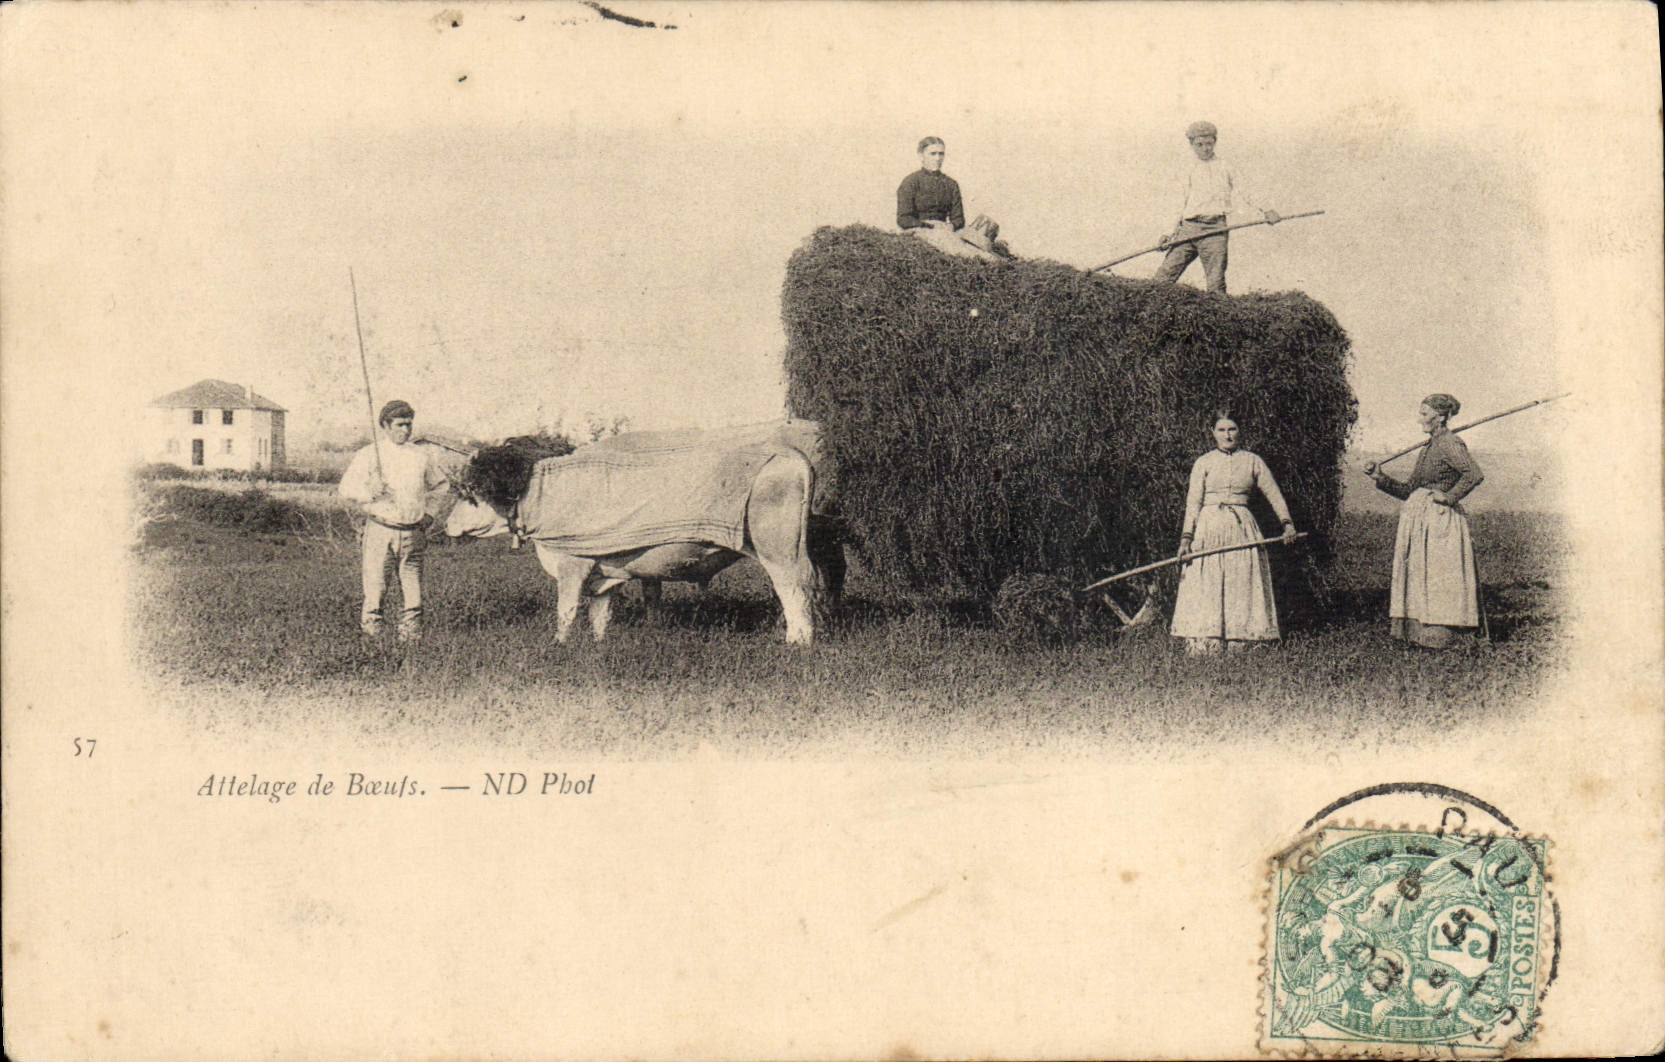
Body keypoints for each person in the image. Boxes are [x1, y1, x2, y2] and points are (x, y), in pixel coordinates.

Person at [1365, 394, 1487, 649]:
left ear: (1440, 416)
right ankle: (1420, 631)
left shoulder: (1450, 444)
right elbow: (1410, 489)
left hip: (1440, 523)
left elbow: (1473, 474)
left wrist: (1450, 496)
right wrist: (1380, 477)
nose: (1419, 418)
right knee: (1422, 573)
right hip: (1421, 520)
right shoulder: (1430, 447)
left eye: (1424, 413)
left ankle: (1445, 632)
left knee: (1439, 574)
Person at [1170, 411, 1299, 654]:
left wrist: (1287, 523)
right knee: (1209, 580)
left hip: (1242, 530)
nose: (1227, 435)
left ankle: (1243, 640)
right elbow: (1193, 503)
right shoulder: (1204, 463)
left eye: (1232, 429)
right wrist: (1186, 539)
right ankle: (1207, 641)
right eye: (1222, 430)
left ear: (1240, 432)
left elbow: (1273, 493)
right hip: (1209, 529)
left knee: (1241, 580)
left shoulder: (1252, 461)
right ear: (1213, 433)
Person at [339, 399, 449, 641]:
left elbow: (441, 486)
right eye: (399, 425)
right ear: (385, 426)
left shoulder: (421, 455)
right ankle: (372, 637)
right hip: (380, 529)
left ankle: (411, 637)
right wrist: (371, 491)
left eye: (408, 425)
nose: (405, 431)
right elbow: (346, 488)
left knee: (412, 585)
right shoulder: (369, 454)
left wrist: (430, 514)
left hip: (413, 532)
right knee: (376, 584)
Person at [1153, 121, 1282, 294]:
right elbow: (1176, 202)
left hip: (1215, 230)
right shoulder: (1186, 168)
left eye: (1209, 144)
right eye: (1199, 144)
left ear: (1215, 142)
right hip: (1188, 229)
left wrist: (1267, 210)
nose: (1205, 149)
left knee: (1215, 283)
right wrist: (1167, 233)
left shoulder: (1226, 166)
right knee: (1164, 277)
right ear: (1191, 145)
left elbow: (1245, 190)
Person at [896, 136, 965, 233]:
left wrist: (952, 226)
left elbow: (959, 219)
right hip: (918, 231)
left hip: (944, 232)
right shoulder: (910, 182)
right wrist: (929, 227)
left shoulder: (951, 184)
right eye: (933, 154)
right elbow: (903, 219)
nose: (937, 158)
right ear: (921, 156)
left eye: (941, 154)